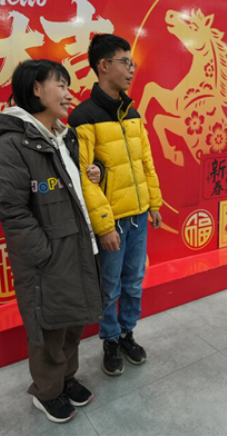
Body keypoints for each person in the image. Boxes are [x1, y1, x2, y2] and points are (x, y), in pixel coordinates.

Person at [0, 59, 104, 424]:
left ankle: (65, 379)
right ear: (36, 89)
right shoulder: (11, 145)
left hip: (77, 245)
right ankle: (47, 391)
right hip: (48, 256)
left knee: (72, 321)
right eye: (61, 85)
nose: (69, 94)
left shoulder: (64, 136)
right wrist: (44, 254)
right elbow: (11, 211)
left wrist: (93, 174)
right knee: (49, 328)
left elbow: (72, 189)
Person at [67, 33, 162, 376]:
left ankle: (126, 334)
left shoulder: (132, 112)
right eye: (125, 62)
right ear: (104, 66)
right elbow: (84, 178)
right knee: (109, 286)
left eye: (132, 63)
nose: (132, 69)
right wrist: (105, 226)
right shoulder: (82, 117)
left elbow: (145, 162)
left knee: (134, 281)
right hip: (112, 221)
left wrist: (154, 202)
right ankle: (109, 339)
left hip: (138, 215)